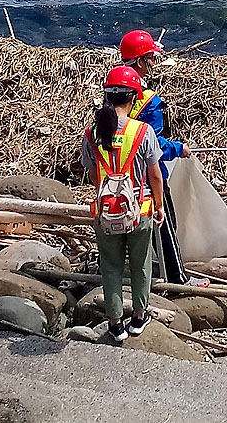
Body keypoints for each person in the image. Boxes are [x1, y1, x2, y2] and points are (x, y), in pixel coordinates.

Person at [81, 66, 165, 342]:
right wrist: (160, 206)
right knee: (141, 265)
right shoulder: (142, 131)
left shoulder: (92, 132)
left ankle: (115, 324)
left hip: (105, 212)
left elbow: (93, 175)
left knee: (110, 265)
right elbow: (155, 174)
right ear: (133, 98)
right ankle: (139, 318)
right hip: (139, 211)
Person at [120, 30, 208, 288]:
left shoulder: (115, 91)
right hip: (147, 173)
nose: (153, 64)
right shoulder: (149, 102)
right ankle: (177, 278)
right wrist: (178, 148)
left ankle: (138, 269)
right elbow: (153, 144)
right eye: (150, 59)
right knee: (165, 222)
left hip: (120, 169)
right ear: (140, 61)